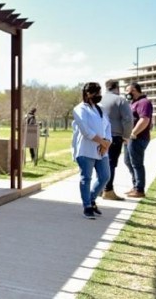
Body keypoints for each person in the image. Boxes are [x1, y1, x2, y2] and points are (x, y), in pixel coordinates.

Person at [71, 82, 112, 219]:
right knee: (86, 178)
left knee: (105, 176)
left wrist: (107, 143)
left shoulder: (101, 109)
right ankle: (87, 206)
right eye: (96, 93)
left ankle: (92, 199)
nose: (99, 96)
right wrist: (102, 142)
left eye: (100, 93)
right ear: (88, 94)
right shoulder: (79, 109)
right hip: (86, 149)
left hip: (102, 150)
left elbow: (108, 127)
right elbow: (85, 130)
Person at [97, 79, 133, 200]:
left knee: (100, 162)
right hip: (114, 136)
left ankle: (99, 188)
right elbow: (128, 119)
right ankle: (108, 190)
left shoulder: (98, 100)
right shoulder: (120, 100)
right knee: (111, 163)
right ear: (117, 88)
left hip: (98, 136)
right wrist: (126, 136)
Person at [124, 82, 153, 198]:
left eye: (128, 91)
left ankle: (139, 189)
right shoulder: (133, 103)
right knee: (127, 161)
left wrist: (133, 133)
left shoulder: (144, 102)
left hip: (138, 138)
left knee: (137, 164)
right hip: (130, 138)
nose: (127, 93)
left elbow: (144, 120)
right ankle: (135, 185)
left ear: (135, 90)